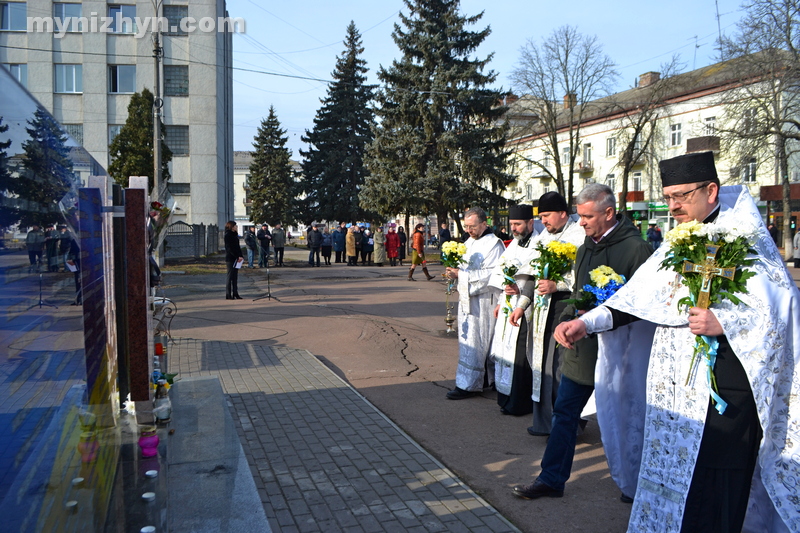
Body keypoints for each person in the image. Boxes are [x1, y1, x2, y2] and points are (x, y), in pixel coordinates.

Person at [555, 151, 800, 532]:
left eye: (681, 196)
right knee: (679, 480)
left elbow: (780, 309)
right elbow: (639, 296)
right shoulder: (677, 241)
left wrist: (726, 320)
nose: (672, 207)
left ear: (711, 190)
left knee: (720, 486)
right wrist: (586, 323)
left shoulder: (747, 238)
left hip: (730, 391)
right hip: (680, 391)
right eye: (668, 197)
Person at [512, 183, 652, 500]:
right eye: (580, 215)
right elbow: (578, 295)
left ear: (609, 212)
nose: (583, 222)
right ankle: (551, 478)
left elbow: (643, 305)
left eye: (588, 216)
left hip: (621, 352)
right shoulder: (585, 246)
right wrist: (565, 321)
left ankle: (634, 482)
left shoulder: (636, 250)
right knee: (565, 412)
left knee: (627, 418)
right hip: (583, 348)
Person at [506, 192, 585, 433]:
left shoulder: (578, 236)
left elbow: (583, 276)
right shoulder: (543, 238)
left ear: (563, 213)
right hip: (542, 313)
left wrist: (557, 285)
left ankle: (567, 425)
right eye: (540, 216)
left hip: (566, 309)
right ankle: (544, 423)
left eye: (547, 216)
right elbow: (532, 275)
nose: (544, 221)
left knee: (562, 369)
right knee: (542, 365)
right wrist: (521, 306)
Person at [444, 207, 506, 399]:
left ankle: (469, 385)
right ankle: (478, 380)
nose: (468, 230)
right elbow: (464, 267)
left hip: (485, 302)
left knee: (478, 340)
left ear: (484, 223)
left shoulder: (494, 245)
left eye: (472, 226)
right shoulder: (469, 242)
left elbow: (493, 276)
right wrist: (453, 272)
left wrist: (461, 275)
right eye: (466, 226)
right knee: (470, 341)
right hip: (467, 299)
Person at [487, 204, 539, 415]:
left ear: (530, 223)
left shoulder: (538, 243)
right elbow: (503, 273)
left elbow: (534, 276)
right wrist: (501, 299)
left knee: (519, 354)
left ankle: (520, 403)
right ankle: (505, 399)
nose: (514, 229)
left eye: (517, 224)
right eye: (511, 225)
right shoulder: (514, 245)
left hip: (526, 308)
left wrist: (519, 291)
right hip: (509, 304)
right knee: (505, 350)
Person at [224, 221, 243, 300]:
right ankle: (228, 294)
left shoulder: (235, 235)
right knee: (230, 276)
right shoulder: (228, 235)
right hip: (230, 258)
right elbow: (229, 248)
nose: (236, 227)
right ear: (231, 226)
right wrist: (236, 256)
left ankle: (235, 293)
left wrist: (241, 256)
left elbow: (237, 247)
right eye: (235, 226)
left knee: (235, 277)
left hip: (237, 258)